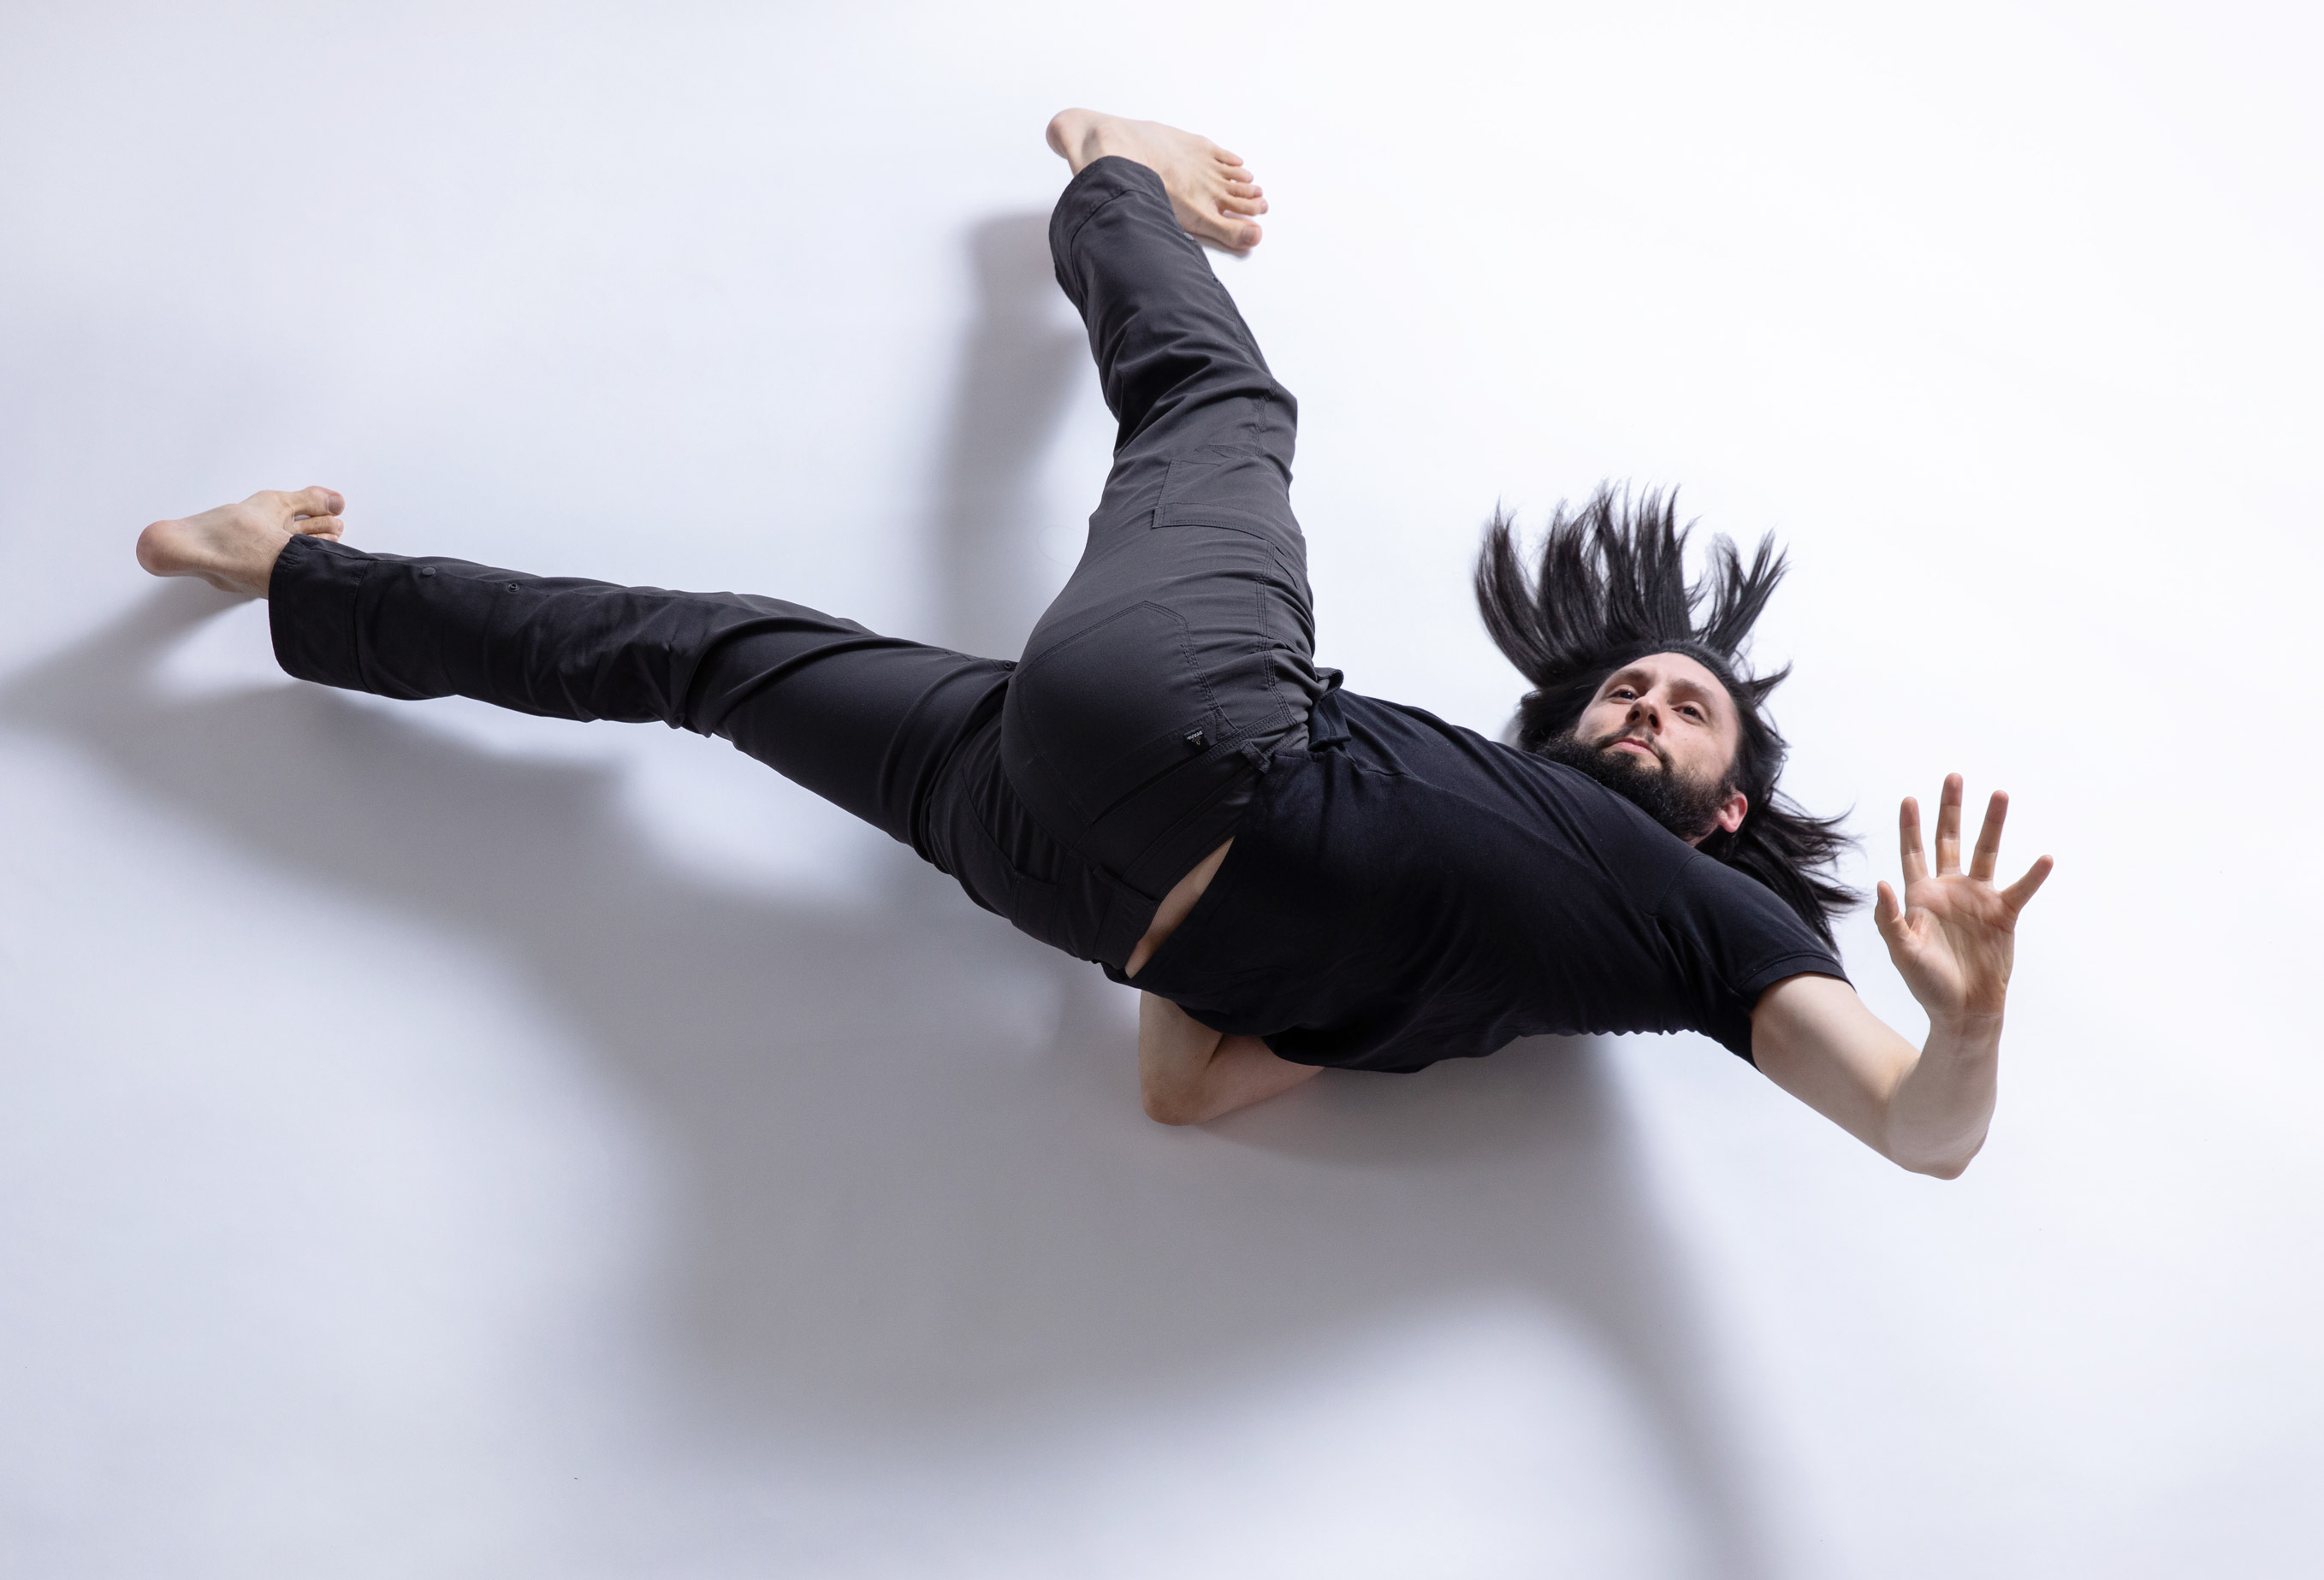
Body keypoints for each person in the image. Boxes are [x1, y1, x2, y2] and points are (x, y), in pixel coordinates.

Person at [134, 109, 2050, 1175]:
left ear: (1727, 811)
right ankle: (1106, 180)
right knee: (1217, 420)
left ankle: (288, 577)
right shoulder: (1491, 863)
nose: (1642, 701)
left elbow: (1917, 1137)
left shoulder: (1698, 939)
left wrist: (1960, 1026)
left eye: (1686, 711)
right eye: (1625, 685)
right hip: (1203, 737)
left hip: (1051, 851)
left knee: (711, 655)